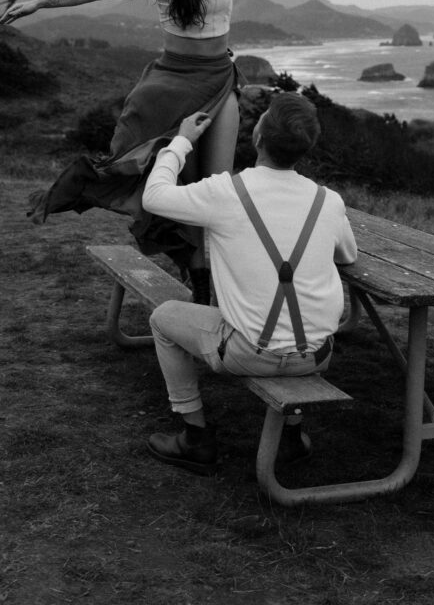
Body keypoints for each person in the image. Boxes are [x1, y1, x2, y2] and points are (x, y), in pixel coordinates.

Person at [0, 0, 345, 302]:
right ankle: (200, 281)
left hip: (218, 81)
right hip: (170, 86)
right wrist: (38, 3)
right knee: (151, 171)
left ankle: (213, 281)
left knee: (216, 185)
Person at [141, 92, 358, 475]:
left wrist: (182, 141)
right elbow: (348, 256)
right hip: (316, 355)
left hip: (247, 354)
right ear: (305, 147)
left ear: (258, 136)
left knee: (163, 317)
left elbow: (154, 196)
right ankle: (291, 435)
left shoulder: (226, 192)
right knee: (302, 318)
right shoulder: (328, 201)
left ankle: (195, 437)